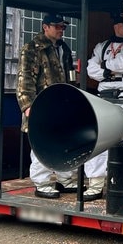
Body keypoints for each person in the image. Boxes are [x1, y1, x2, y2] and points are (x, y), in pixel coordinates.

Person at [17, 13, 80, 199]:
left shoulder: (64, 48)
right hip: (41, 105)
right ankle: (42, 183)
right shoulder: (31, 49)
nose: (61, 30)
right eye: (58, 26)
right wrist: (28, 106)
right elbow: (24, 79)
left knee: (65, 141)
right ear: (46, 27)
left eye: (63, 27)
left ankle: (65, 179)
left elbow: (71, 77)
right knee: (41, 145)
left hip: (62, 104)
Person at [85, 12, 123, 200]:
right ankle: (95, 184)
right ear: (115, 26)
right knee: (99, 138)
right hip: (105, 96)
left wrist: (104, 67)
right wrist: (108, 70)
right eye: (121, 24)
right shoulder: (101, 46)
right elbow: (90, 69)